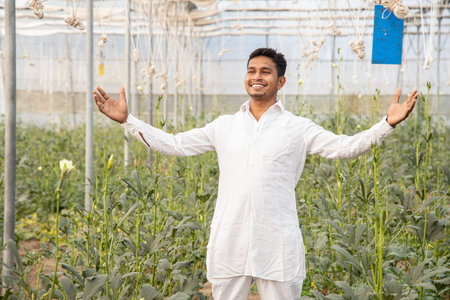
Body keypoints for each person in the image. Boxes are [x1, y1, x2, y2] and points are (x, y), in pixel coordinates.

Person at [93, 48, 418, 300]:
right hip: (230, 235)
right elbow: (175, 144)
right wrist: (128, 121)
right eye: (251, 71)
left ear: (281, 82)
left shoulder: (297, 128)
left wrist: (386, 124)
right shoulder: (224, 126)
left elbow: (345, 147)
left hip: (276, 238)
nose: (256, 76)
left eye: (265, 71)